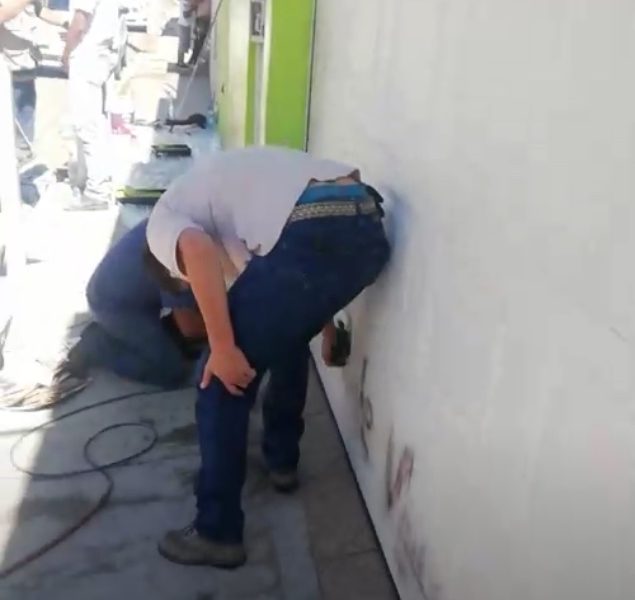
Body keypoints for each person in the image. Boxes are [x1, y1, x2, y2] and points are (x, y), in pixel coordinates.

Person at [146, 145, 390, 568]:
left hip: (313, 226)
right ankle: (282, 461)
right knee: (284, 339)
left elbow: (197, 252)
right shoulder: (230, 205)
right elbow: (292, 292)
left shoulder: (161, 223)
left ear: (170, 267)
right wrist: (328, 328)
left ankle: (216, 533)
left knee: (218, 380)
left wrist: (223, 349)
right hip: (366, 224)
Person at [59, 219, 213, 388]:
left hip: (136, 292)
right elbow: (189, 328)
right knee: (173, 371)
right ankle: (97, 344)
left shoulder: (196, 216)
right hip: (114, 304)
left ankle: (153, 337)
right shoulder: (184, 248)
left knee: (193, 339)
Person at [62, 0, 119, 210]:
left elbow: (79, 23)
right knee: (94, 122)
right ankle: (92, 179)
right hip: (98, 54)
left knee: (86, 125)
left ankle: (97, 191)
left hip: (87, 57)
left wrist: (66, 53)